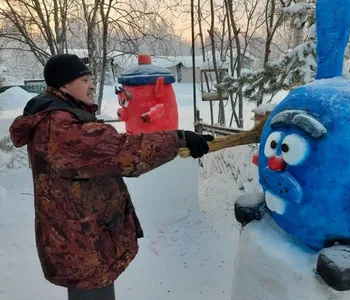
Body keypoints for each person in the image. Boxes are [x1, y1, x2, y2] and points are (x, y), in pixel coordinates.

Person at [9, 54, 214, 300]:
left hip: (82, 235)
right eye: (84, 80)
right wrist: (177, 138)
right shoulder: (60, 126)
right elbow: (120, 152)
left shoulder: (62, 115)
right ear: (64, 85)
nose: (92, 85)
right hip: (82, 242)